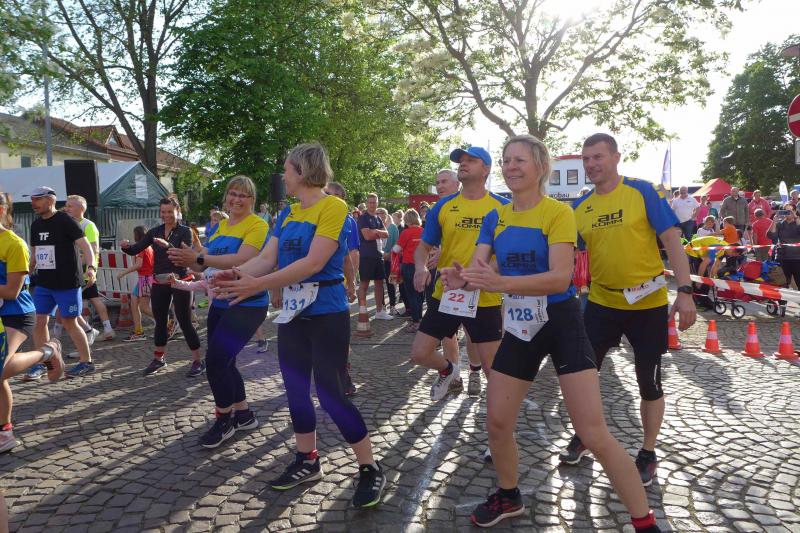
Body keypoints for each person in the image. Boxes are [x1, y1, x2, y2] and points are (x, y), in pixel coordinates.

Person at [439, 135, 661, 532]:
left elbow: (560, 277)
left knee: (593, 432)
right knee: (497, 422)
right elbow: (479, 270)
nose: (510, 167)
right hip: (521, 327)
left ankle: (644, 521)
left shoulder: (559, 213)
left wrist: (499, 283)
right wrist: (462, 278)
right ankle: (509, 495)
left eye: (519, 160)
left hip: (561, 322)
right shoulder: (496, 217)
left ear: (541, 166)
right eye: (506, 160)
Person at [215, 143, 385, 508]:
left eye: (287, 169)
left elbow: (313, 263)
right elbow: (266, 258)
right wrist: (234, 275)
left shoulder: (333, 207)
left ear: (303, 171)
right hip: (293, 315)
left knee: (331, 394)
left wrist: (257, 285)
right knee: (294, 390)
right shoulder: (289, 213)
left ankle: (370, 467)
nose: (283, 176)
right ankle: (307, 459)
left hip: (327, 314)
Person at [564, 134, 696, 488]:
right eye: (586, 159)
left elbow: (672, 240)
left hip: (647, 304)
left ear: (616, 157)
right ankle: (586, 435)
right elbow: (562, 251)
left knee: (648, 381)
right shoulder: (580, 206)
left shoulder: (642, 191)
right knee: (582, 376)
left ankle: (648, 452)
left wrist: (685, 291)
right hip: (601, 303)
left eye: (598, 157)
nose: (591, 164)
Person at [166, 175, 268, 448]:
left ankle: (224, 419)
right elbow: (205, 264)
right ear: (226, 197)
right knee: (226, 361)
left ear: (252, 200)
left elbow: (241, 259)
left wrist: (199, 257)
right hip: (220, 303)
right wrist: (186, 258)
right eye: (233, 194)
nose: (237, 199)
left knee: (215, 362)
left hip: (247, 304)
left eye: (243, 195)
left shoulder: (258, 225)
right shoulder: (221, 226)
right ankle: (244, 415)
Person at [410, 146, 508, 403]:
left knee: (492, 370)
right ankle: (448, 370)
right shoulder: (444, 206)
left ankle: (500, 422)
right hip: (447, 292)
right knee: (419, 353)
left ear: (486, 169)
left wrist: (485, 274)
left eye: (471, 160)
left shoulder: (503, 207)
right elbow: (423, 247)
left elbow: (509, 253)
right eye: (461, 160)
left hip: (484, 296)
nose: (463, 163)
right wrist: (420, 267)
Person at [0, 190, 65, 453]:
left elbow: (11, 291)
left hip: (15, 314)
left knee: (0, 370)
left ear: (1, 210)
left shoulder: (14, 244)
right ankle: (4, 431)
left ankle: (47, 351)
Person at [121, 197, 204, 377]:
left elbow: (185, 254)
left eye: (170, 212)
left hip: (181, 280)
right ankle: (159, 358)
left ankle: (198, 360)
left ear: (177, 211)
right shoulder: (154, 231)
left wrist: (168, 245)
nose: (166, 215)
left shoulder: (186, 231)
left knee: (184, 321)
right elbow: (136, 248)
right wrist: (126, 247)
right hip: (159, 281)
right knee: (160, 320)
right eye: (163, 212)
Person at [28, 186, 98, 378]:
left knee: (69, 322)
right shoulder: (36, 225)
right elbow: (35, 256)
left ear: (50, 200)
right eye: (32, 199)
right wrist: (25, 276)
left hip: (67, 283)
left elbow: (86, 247)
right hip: (44, 283)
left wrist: (91, 268)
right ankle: (44, 364)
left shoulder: (66, 220)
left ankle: (86, 362)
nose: (34, 203)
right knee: (39, 321)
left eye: (38, 199)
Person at [429, 168, 484, 396]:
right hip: (447, 281)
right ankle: (454, 376)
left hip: (474, 280)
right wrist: (432, 255)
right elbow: (429, 242)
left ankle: (475, 372)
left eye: (444, 181)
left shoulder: (480, 203)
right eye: (437, 182)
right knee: (447, 334)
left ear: (457, 183)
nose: (440, 186)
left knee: (472, 334)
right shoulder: (439, 209)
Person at [64, 195, 115, 341]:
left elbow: (93, 249)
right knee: (90, 299)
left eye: (70, 206)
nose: (66, 209)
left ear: (81, 208)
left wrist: (89, 268)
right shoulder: (70, 223)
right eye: (66, 206)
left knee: (78, 300)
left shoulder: (88, 225)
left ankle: (95, 330)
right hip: (77, 270)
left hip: (84, 270)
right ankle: (101, 329)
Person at [115, 226, 155, 341]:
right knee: (134, 302)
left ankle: (165, 320)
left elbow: (138, 265)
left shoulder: (141, 248)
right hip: (145, 278)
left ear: (136, 235)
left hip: (146, 279)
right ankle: (138, 331)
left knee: (144, 307)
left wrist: (123, 273)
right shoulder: (148, 247)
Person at [357, 193, 393, 320]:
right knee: (364, 284)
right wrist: (378, 233)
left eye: (374, 202)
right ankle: (362, 311)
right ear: (367, 203)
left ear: (378, 203)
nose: (372, 204)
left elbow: (387, 234)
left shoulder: (378, 218)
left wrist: (376, 231)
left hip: (378, 255)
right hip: (366, 256)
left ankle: (379, 311)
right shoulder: (363, 218)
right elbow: (367, 236)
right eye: (370, 202)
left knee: (379, 283)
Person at [395, 209, 424, 332]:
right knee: (420, 294)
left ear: (407, 220)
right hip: (422, 266)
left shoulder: (406, 233)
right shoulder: (424, 231)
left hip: (409, 266)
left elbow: (396, 249)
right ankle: (420, 319)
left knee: (411, 294)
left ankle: (416, 322)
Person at [768, 207, 800, 289]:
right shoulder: (780, 224)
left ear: (795, 211)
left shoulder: (797, 222)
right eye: (786, 211)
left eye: (790, 210)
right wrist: (774, 221)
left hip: (797, 257)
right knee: (783, 282)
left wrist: (796, 217)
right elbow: (771, 236)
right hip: (783, 257)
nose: (788, 213)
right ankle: (784, 297)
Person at [377, 207, 400, 315]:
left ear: (386, 215)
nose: (381, 216)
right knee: (379, 283)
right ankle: (382, 306)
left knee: (390, 283)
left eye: (383, 214)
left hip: (389, 259)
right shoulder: (375, 227)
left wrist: (389, 254)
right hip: (378, 258)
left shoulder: (393, 227)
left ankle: (392, 306)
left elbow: (397, 243)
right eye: (378, 214)